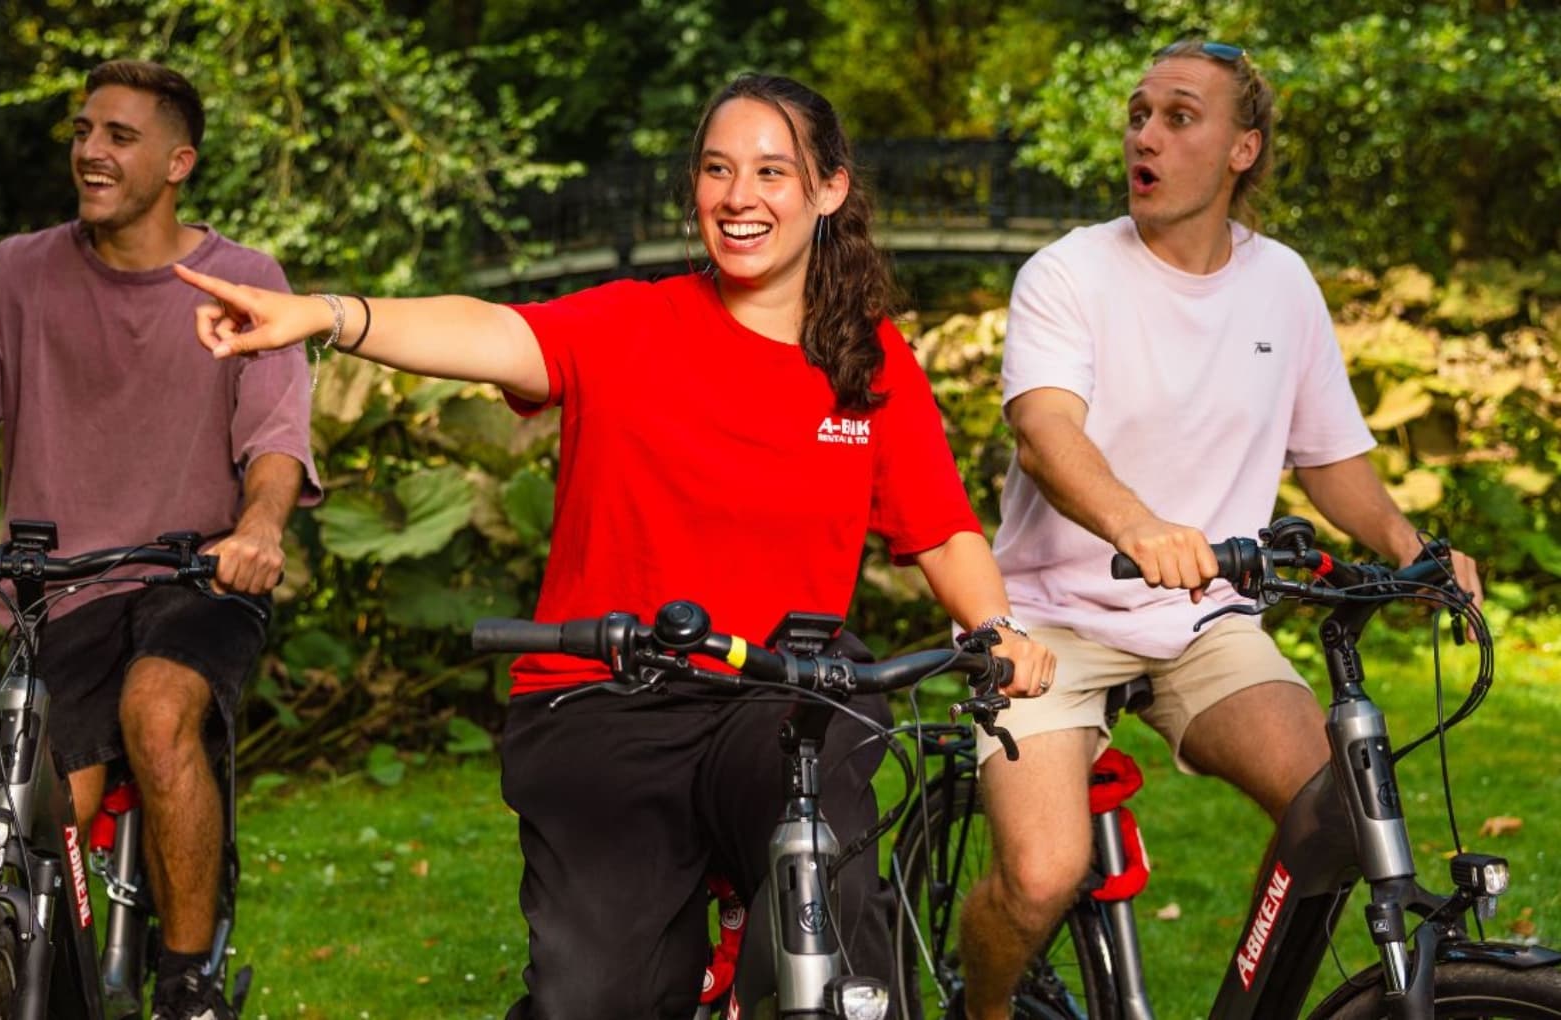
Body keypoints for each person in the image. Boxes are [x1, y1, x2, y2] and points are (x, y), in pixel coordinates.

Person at [173, 72, 1055, 1019]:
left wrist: (995, 628)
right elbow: (492, 330)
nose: (738, 197)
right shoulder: (632, 322)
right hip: (605, 696)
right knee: (595, 999)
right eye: (717, 171)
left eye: (771, 171)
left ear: (830, 189)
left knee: (829, 887)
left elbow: (943, 529)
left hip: (780, 691)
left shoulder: (868, 361)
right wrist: (327, 315)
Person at [954, 40, 1484, 1020]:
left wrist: (1415, 551)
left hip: (1202, 619)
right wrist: (1141, 524)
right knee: (1041, 873)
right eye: (1138, 114)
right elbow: (1045, 433)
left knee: (1334, 816)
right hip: (1047, 620)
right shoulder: (1068, 274)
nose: (1144, 135)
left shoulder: (1280, 284)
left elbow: (1330, 457)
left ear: (1243, 149)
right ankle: (976, 1010)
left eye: (1179, 117)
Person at [0, 59, 319, 1020]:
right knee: (47, 812)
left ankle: (189, 983)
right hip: (57, 589)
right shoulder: (19, 274)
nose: (90, 151)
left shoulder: (245, 279)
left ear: (177, 162)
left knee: (160, 717)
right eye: (83, 131)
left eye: (119, 136)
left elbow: (276, 434)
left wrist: (258, 526)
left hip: (195, 575)